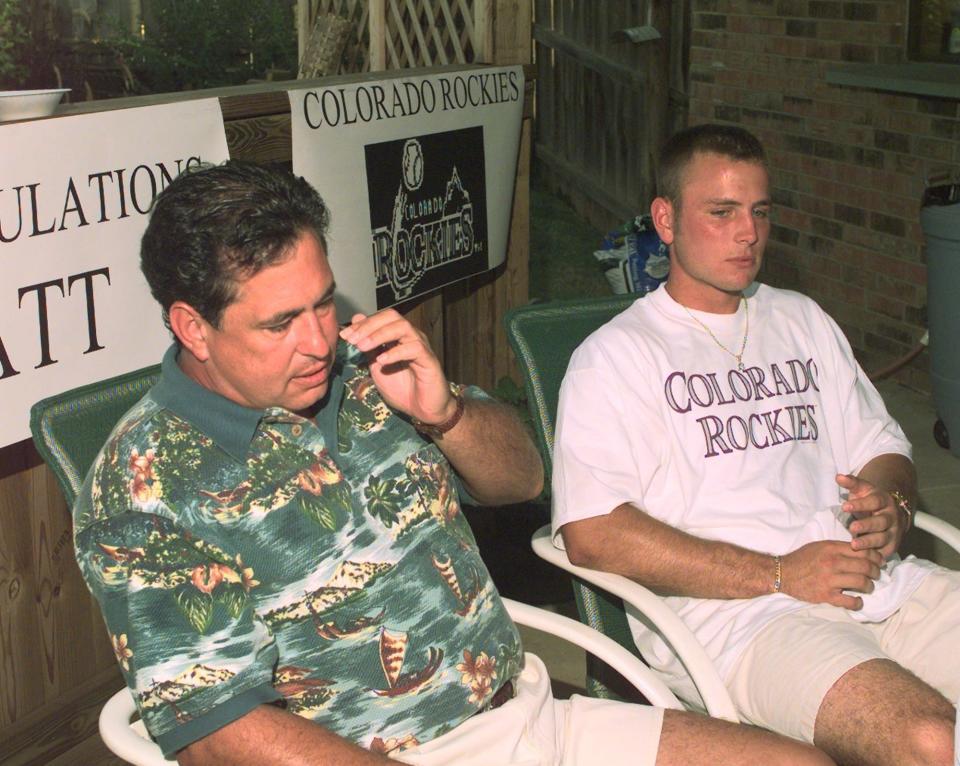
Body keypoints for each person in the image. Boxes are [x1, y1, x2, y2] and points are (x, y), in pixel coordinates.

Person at [72, 160, 833, 766]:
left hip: (533, 712)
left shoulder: (365, 365)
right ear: (191, 328)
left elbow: (522, 481)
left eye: (323, 302)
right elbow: (220, 731)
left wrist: (448, 416)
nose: (318, 339)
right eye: (280, 322)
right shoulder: (145, 487)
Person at [552, 123, 960, 766]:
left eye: (759, 212)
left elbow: (883, 448)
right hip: (743, 622)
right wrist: (777, 573)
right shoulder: (616, 359)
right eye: (721, 212)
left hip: (876, 585)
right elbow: (593, 533)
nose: (748, 233)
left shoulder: (801, 319)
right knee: (927, 737)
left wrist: (891, 503)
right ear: (665, 218)